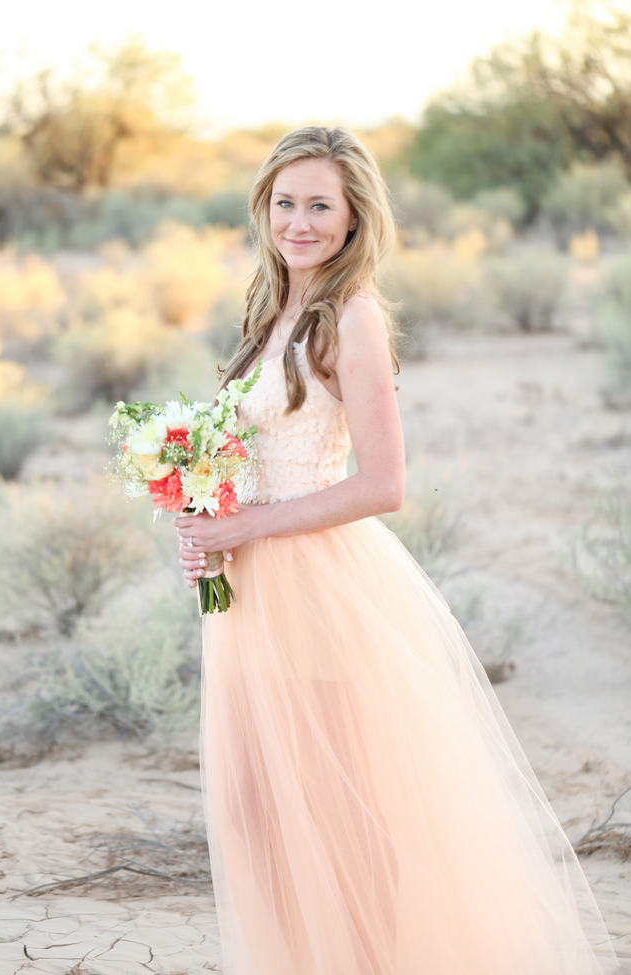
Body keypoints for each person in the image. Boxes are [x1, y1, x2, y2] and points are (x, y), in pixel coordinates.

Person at [173, 126, 621, 974]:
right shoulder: (270, 311)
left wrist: (248, 526)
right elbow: (248, 459)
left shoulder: (355, 317)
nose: (298, 221)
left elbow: (383, 484)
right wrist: (202, 524)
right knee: (255, 811)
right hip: (250, 595)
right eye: (284, 202)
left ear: (351, 219)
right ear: (263, 208)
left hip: (322, 588)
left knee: (342, 815)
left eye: (319, 205)